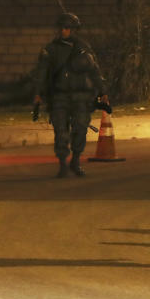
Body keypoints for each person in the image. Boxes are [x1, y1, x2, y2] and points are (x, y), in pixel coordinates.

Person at [31, 12, 110, 178]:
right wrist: (38, 94)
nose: (63, 31)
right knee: (61, 132)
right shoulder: (50, 50)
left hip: (81, 97)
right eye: (61, 28)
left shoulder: (83, 48)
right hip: (59, 97)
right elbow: (42, 73)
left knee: (80, 129)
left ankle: (75, 160)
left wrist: (103, 91)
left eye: (67, 28)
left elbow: (94, 71)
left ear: (74, 30)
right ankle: (62, 164)